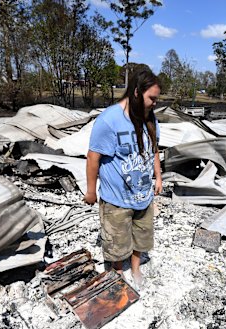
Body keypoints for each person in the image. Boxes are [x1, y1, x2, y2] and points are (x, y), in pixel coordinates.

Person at [84, 68, 162, 289]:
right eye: (152, 98)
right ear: (137, 92)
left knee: (141, 237)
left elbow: (154, 149)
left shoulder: (150, 119)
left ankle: (135, 267)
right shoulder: (109, 120)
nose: (155, 103)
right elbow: (93, 157)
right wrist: (90, 191)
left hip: (143, 196)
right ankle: (118, 272)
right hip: (116, 199)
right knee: (116, 242)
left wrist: (158, 176)